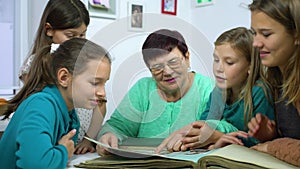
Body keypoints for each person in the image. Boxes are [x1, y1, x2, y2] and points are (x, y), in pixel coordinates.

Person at [209, 0, 300, 167]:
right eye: (254, 33)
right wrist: (269, 134)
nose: (256, 43)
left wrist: (272, 145)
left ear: (296, 34)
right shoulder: (276, 77)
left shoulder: (261, 89)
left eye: (266, 34)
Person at [155, 27, 275, 153]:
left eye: (229, 62)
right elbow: (204, 125)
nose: (218, 68)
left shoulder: (260, 93)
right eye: (216, 60)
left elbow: (260, 141)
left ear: (250, 66)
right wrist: (188, 137)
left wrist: (218, 137)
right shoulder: (219, 92)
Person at [96, 29, 214, 156]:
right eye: (157, 67)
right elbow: (118, 126)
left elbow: (226, 127)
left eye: (173, 62)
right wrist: (108, 135)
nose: (167, 72)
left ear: (187, 58)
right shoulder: (143, 88)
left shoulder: (209, 88)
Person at [0, 38, 111, 168]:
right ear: (64, 77)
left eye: (104, 83)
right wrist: (63, 151)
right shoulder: (41, 105)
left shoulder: (70, 114)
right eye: (95, 83)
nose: (102, 92)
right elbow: (34, 165)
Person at [17, 0, 103, 154]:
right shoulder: (37, 64)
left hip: (81, 148)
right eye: (70, 35)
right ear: (49, 30)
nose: (78, 40)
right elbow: (36, 112)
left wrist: (88, 139)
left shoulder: (87, 63)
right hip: (52, 146)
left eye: (82, 34)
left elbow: (101, 103)